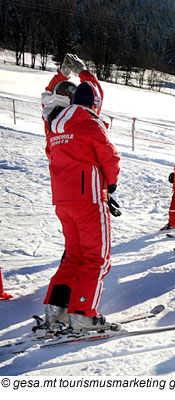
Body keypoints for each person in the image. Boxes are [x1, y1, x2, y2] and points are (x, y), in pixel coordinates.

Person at [43, 66, 121, 333]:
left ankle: (55, 311)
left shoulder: (54, 126)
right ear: (94, 104)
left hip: (63, 201)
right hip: (89, 199)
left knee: (73, 255)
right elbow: (109, 158)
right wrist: (110, 185)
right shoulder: (89, 123)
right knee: (96, 258)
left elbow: (51, 155)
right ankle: (83, 314)